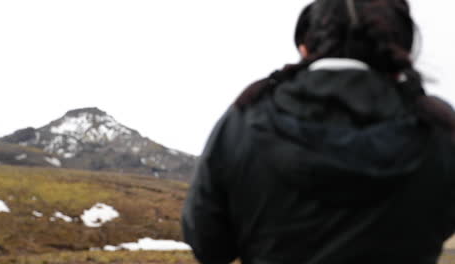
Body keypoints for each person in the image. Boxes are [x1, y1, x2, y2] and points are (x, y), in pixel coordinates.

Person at [182, 0, 455, 263]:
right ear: (399, 50)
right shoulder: (440, 129)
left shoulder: (244, 118)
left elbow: (209, 245)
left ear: (305, 46)